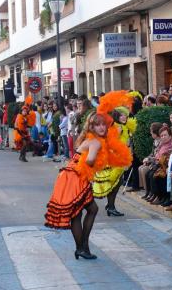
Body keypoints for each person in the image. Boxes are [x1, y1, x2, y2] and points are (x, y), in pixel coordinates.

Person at [45, 91, 132, 260]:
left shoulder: (91, 139)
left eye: (103, 125)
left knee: (83, 212)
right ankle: (82, 247)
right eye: (97, 125)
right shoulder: (95, 142)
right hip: (76, 177)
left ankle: (82, 247)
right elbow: (90, 160)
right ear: (91, 127)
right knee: (87, 211)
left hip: (72, 175)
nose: (101, 127)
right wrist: (98, 163)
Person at [92, 102, 137, 217]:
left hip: (120, 157)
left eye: (125, 115)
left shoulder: (124, 126)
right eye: (121, 115)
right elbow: (111, 143)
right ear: (117, 116)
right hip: (115, 158)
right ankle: (111, 207)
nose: (124, 117)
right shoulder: (118, 127)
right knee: (115, 182)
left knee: (117, 182)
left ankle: (110, 205)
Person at [14, 97, 36, 162]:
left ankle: (22, 156)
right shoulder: (19, 116)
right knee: (24, 144)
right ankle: (22, 156)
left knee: (26, 145)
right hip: (19, 132)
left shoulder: (26, 117)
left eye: (26, 111)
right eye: (24, 111)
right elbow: (17, 126)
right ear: (22, 111)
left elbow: (29, 124)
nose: (25, 112)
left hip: (24, 132)